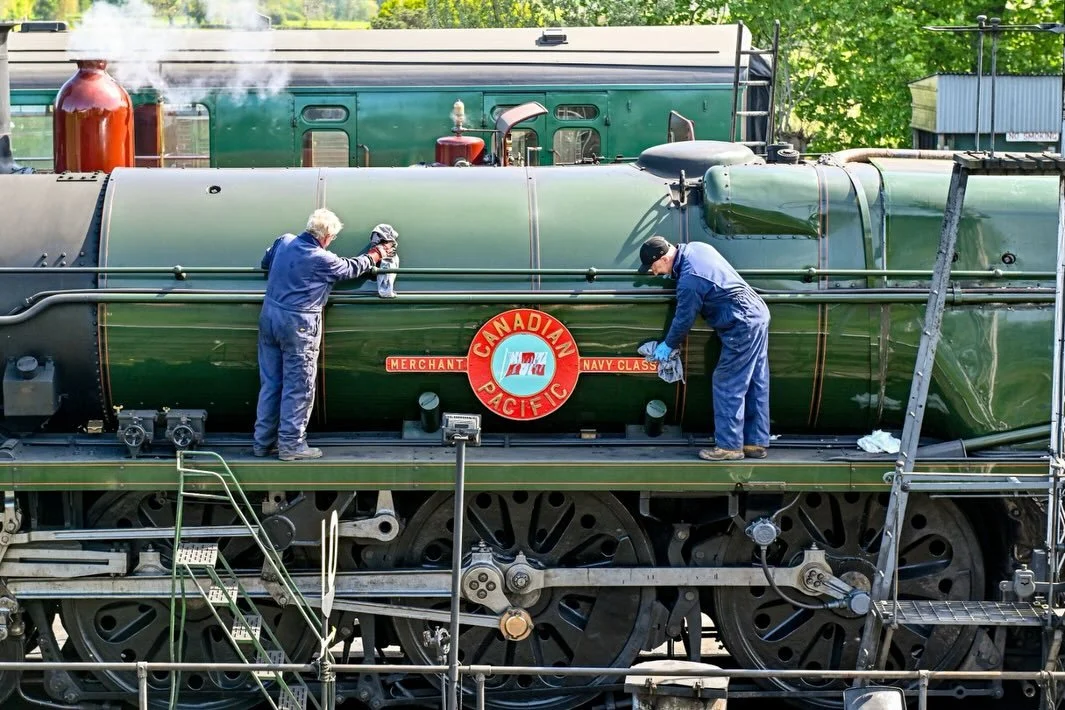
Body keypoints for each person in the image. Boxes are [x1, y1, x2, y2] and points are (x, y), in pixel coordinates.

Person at [253, 209, 394, 461]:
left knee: (271, 384)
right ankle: (291, 445)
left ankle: (262, 442)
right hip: (299, 324)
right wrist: (377, 253)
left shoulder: (284, 241)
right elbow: (351, 268)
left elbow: (266, 262)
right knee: (299, 387)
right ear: (327, 236)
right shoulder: (321, 258)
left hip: (270, 316)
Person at [639, 236, 770, 461]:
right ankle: (754, 442)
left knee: (728, 380)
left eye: (653, 266)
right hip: (757, 313)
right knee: (756, 379)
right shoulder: (697, 248)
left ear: (663, 258)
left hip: (741, 323)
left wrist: (668, 345)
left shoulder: (689, 280)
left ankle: (729, 446)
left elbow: (683, 319)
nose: (654, 272)